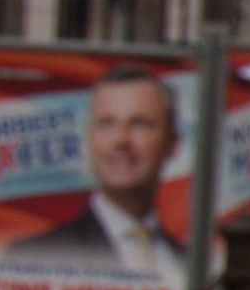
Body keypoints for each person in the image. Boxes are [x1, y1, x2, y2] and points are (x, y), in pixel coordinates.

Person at [24, 70, 178, 274]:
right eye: (107, 124)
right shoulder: (36, 255)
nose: (121, 140)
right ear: (89, 138)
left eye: (139, 124)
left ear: (172, 143)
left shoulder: (195, 262)